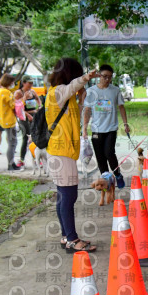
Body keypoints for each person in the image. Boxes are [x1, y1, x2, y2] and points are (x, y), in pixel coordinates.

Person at [46, 58, 99, 253]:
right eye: (76, 74)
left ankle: (66, 236)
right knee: (68, 196)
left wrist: (80, 100)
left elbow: (72, 115)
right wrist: (86, 77)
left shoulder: (61, 95)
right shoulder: (58, 91)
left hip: (61, 151)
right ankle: (72, 239)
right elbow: (73, 86)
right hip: (62, 153)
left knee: (64, 196)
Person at [82, 64, 129, 189]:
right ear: (99, 76)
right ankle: (105, 180)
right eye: (104, 76)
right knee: (100, 156)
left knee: (109, 152)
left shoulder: (115, 90)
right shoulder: (91, 91)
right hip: (97, 129)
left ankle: (117, 175)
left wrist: (125, 123)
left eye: (110, 77)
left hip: (111, 128)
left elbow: (121, 107)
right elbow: (87, 111)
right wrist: (84, 129)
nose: (107, 79)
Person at [0, 74, 23, 171]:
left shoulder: (0, 91)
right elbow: (13, 106)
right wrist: (20, 99)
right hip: (9, 121)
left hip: (3, 120)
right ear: (9, 82)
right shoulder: (6, 92)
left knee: (12, 143)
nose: (13, 84)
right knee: (12, 143)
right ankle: (11, 164)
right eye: (12, 82)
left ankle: (11, 164)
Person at [14, 75, 41, 167]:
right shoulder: (19, 93)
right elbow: (18, 107)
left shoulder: (32, 91)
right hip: (24, 117)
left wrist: (39, 107)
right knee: (27, 138)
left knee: (35, 137)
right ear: (23, 83)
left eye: (32, 83)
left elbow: (38, 99)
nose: (31, 85)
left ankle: (36, 158)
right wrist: (24, 98)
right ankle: (22, 159)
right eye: (29, 83)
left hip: (34, 116)